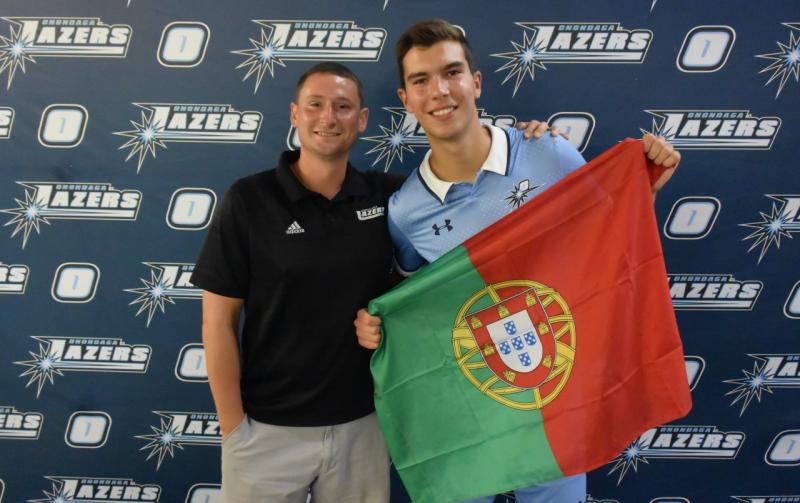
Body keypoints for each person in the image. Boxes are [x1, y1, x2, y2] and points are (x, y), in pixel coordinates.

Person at [191, 60, 561, 503]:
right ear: (294, 114)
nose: (328, 117)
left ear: (362, 119)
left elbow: (446, 254)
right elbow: (217, 322)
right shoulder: (249, 200)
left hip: (363, 428)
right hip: (267, 431)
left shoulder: (394, 198)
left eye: (343, 106)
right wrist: (233, 427)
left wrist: (530, 144)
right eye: (315, 105)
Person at [354, 19, 681, 503]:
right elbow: (409, 303)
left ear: (476, 81)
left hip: (557, 397)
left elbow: (607, 243)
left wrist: (644, 190)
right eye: (421, 80)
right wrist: (376, 323)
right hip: (470, 411)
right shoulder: (407, 210)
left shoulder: (550, 154)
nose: (439, 91)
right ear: (406, 99)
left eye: (452, 72)